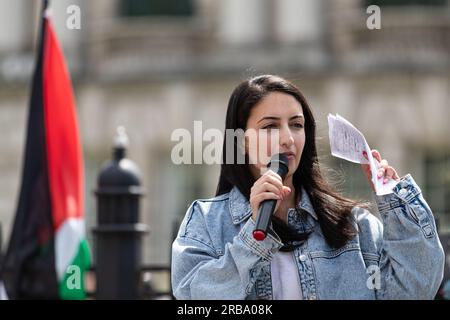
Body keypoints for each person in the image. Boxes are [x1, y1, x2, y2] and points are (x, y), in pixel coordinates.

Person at [171, 75, 445, 300]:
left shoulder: (353, 225)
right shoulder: (207, 223)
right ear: (241, 141)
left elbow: (416, 290)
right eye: (270, 127)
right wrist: (252, 237)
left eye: (297, 125)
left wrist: (394, 202)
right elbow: (193, 300)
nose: (287, 139)